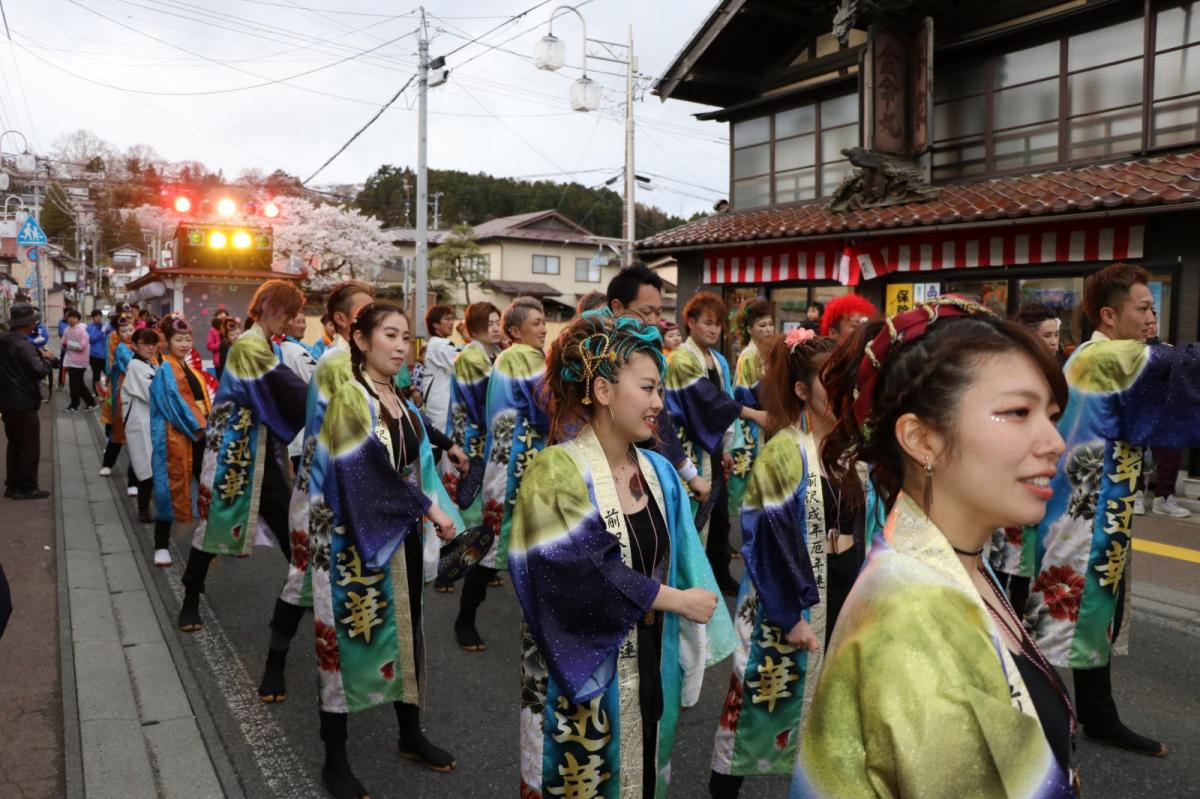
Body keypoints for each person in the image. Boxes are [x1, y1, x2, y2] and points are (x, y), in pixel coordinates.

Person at [792, 297, 1077, 798]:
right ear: (921, 439)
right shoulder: (912, 622)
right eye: (1018, 411)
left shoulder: (952, 562)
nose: (1054, 441)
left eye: (1051, 415)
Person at [509, 312, 736, 799]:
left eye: (660, 391)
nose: (659, 403)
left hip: (652, 658)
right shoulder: (555, 472)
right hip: (583, 666)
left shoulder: (657, 469)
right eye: (649, 388)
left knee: (647, 767)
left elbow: (685, 559)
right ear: (605, 392)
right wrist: (674, 600)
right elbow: (578, 573)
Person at [1031, 263, 1200, 758]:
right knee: (1068, 615)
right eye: (1143, 308)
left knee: (1089, 615)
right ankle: (1037, 723)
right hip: (1082, 513)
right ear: (1109, 314)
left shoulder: (1101, 355)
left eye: (1155, 308)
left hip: (1098, 508)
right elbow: (1187, 367)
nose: (1153, 318)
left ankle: (1095, 716)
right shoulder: (1105, 359)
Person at [312, 302, 463, 797]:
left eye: (406, 337)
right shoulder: (349, 399)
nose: (401, 346)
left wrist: (443, 516)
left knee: (407, 633)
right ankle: (335, 757)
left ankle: (410, 733)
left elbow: (417, 466)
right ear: (360, 340)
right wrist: (429, 509)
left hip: (400, 536)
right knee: (344, 644)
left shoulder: (400, 399)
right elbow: (361, 473)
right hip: (351, 543)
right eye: (389, 335)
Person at [710, 329, 867, 798]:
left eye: (847, 379)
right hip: (791, 599)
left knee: (835, 713)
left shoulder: (852, 448)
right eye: (829, 380)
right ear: (802, 390)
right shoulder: (785, 450)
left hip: (846, 588)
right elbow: (766, 536)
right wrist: (789, 614)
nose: (841, 390)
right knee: (758, 706)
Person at [263, 281, 375, 705]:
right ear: (342, 321)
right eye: (363, 311)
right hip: (325, 493)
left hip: (358, 492)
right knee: (303, 579)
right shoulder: (334, 364)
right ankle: (276, 662)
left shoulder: (368, 361)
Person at [177, 281, 310, 632]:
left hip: (261, 450)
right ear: (268, 306)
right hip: (234, 452)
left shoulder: (264, 344)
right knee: (217, 522)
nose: (291, 320)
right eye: (288, 312)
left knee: (287, 523)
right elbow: (287, 388)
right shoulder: (250, 345)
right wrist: (324, 401)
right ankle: (191, 595)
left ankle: (307, 594)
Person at [456, 296, 549, 652]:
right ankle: (464, 618)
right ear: (516, 331)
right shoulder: (524, 357)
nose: (542, 328)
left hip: (507, 463)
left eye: (544, 322)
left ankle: (468, 618)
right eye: (536, 322)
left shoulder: (507, 356)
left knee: (500, 543)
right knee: (501, 544)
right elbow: (546, 410)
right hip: (517, 466)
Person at [667, 292, 768, 594]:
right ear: (691, 323)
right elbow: (708, 400)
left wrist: (724, 447)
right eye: (707, 323)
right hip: (686, 449)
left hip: (710, 446)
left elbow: (720, 403)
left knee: (720, 516)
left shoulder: (719, 360)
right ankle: (690, 581)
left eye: (717, 325)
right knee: (694, 516)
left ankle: (718, 575)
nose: (713, 330)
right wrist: (754, 414)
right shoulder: (681, 358)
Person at [606, 262, 713, 507]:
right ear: (617, 307)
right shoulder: (601, 356)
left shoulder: (648, 353)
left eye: (658, 312)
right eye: (646, 312)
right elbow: (658, 425)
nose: (654, 321)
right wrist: (690, 474)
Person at [148, 317, 212, 572]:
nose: (185, 344)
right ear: (167, 342)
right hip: (175, 436)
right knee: (168, 489)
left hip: (198, 434)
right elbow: (174, 406)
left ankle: (214, 536)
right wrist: (199, 427)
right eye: (179, 340)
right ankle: (161, 544)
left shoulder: (190, 369)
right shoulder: (164, 369)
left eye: (188, 339)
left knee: (207, 484)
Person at [441, 302, 501, 532]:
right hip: (466, 438)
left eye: (497, 322)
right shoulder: (472, 357)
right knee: (466, 500)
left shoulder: (490, 354)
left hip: (477, 437)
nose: (495, 328)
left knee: (473, 498)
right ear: (474, 330)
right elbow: (484, 402)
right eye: (489, 324)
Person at [726, 299, 774, 523]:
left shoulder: (767, 354)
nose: (767, 329)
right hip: (752, 424)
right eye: (761, 325)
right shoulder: (749, 356)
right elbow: (744, 394)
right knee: (750, 485)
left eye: (770, 324)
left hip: (765, 423)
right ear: (750, 329)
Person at [0, 304, 53, 499]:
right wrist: (47, 359)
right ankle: (28, 486)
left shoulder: (4, 339)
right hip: (24, 402)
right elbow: (38, 370)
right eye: (34, 321)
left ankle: (12, 485)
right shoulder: (24, 345)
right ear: (28, 324)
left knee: (14, 444)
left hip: (6, 400)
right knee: (29, 446)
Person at [1143, 311, 1189, 519]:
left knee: (1172, 454)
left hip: (1163, 414)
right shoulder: (1128, 350)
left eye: (1154, 322)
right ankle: (1134, 496)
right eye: (1146, 322)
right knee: (1134, 455)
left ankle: (1164, 498)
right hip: (1137, 414)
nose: (1151, 326)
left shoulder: (1169, 350)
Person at [122, 328, 161, 530]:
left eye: (154, 343)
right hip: (140, 421)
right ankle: (143, 508)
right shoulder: (136, 366)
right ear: (135, 345)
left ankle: (146, 504)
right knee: (146, 464)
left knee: (147, 463)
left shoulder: (148, 363)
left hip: (148, 421)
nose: (151, 347)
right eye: (146, 343)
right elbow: (152, 393)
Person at [97, 317, 136, 495]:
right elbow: (130, 366)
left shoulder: (139, 345)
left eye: (131, 329)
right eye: (124, 331)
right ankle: (107, 464)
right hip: (122, 393)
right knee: (118, 431)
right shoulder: (121, 348)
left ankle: (134, 480)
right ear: (118, 334)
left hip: (138, 395)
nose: (129, 332)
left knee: (137, 440)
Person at [279, 310, 319, 471]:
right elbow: (316, 385)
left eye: (304, 321)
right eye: (298, 321)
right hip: (303, 431)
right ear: (286, 324)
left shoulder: (281, 349)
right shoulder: (297, 352)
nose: (303, 326)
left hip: (290, 429)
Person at [419, 304, 458, 443]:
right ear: (435, 324)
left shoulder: (435, 344)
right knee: (444, 450)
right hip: (442, 410)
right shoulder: (441, 345)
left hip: (437, 407)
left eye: (452, 319)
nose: (452, 322)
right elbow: (466, 364)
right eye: (447, 319)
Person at [62, 309, 97, 412]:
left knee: (74, 385)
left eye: (74, 317)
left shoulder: (82, 330)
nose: (71, 319)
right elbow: (63, 342)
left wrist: (68, 344)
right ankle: (91, 403)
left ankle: (74, 406)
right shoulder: (67, 329)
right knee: (79, 384)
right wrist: (65, 345)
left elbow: (82, 346)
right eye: (69, 317)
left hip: (80, 362)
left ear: (78, 319)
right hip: (70, 360)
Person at [87, 308, 107, 389]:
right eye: (96, 316)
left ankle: (108, 392)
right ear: (92, 318)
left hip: (105, 356)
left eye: (100, 316)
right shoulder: (90, 327)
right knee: (96, 375)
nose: (98, 318)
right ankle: (97, 392)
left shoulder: (105, 326)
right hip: (94, 356)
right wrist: (101, 332)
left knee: (109, 373)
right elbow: (90, 339)